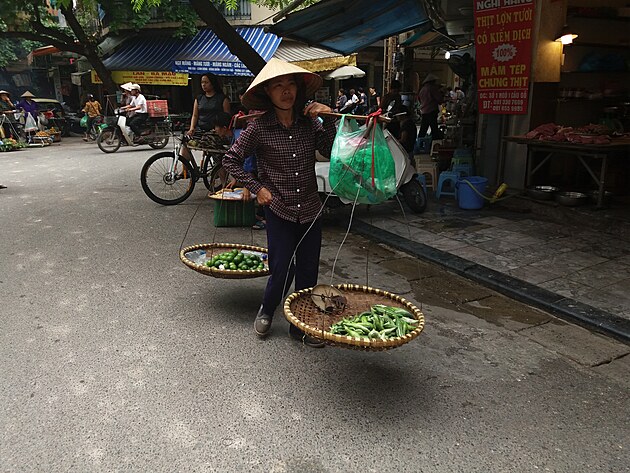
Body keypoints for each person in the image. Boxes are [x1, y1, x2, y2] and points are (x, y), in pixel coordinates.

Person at [222, 58, 336, 348]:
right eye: (278, 86)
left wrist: (330, 117)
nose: (286, 92)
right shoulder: (258, 128)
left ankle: (300, 325)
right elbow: (231, 160)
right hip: (279, 209)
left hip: (310, 207)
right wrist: (257, 188)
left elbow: (328, 150)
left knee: (309, 270)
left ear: (298, 90)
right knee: (281, 267)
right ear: (268, 93)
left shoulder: (309, 123)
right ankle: (268, 309)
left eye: (290, 85)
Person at [187, 73, 231, 137]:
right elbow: (195, 115)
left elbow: (227, 116)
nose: (203, 85)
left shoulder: (222, 99)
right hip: (200, 130)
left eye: (206, 82)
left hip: (216, 132)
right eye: (202, 82)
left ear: (213, 83)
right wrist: (192, 128)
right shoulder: (199, 98)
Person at [418, 73, 444, 139]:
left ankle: (419, 142)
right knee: (434, 129)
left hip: (424, 111)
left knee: (423, 128)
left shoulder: (422, 89)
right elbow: (439, 99)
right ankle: (435, 143)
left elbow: (419, 99)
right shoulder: (432, 88)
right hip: (431, 111)